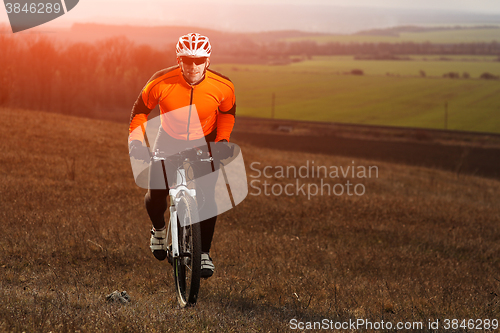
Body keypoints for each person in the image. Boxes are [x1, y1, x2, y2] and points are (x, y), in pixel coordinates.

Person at [128, 33, 236, 278]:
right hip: (169, 138)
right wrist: (136, 142)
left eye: (199, 60)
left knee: (207, 195)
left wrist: (222, 141)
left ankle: (204, 253)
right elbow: (140, 112)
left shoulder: (223, 85)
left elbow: (227, 112)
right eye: (187, 59)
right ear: (179, 60)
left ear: (208, 61)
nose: (193, 65)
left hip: (206, 139)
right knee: (157, 193)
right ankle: (158, 230)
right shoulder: (161, 82)